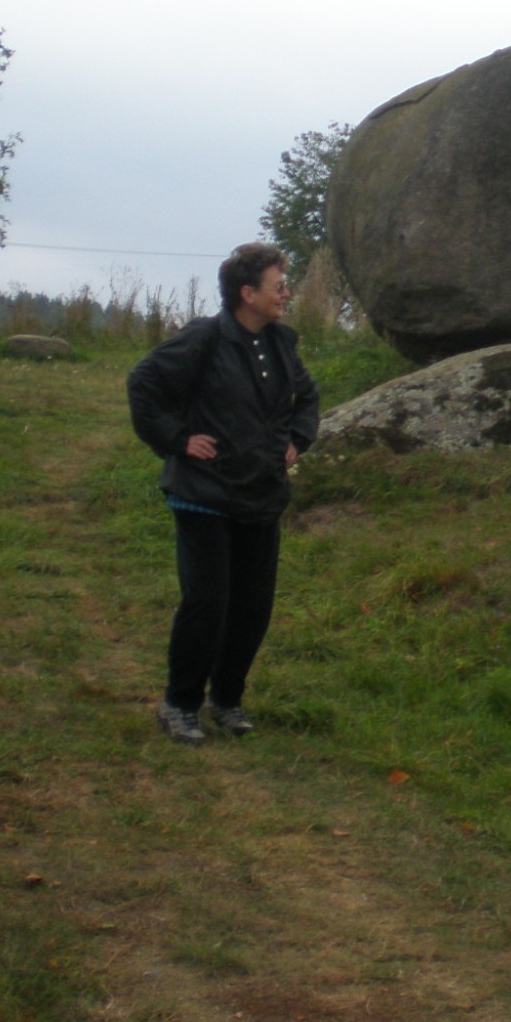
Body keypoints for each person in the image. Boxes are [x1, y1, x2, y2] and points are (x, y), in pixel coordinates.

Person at [127, 243, 320, 744]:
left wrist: (297, 439)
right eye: (279, 286)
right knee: (207, 604)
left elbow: (306, 397)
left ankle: (227, 700)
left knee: (252, 607)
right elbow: (143, 383)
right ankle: (180, 704)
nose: (286, 293)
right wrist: (176, 439)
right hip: (203, 494)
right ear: (247, 293)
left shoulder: (281, 343)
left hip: (261, 495)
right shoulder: (204, 338)